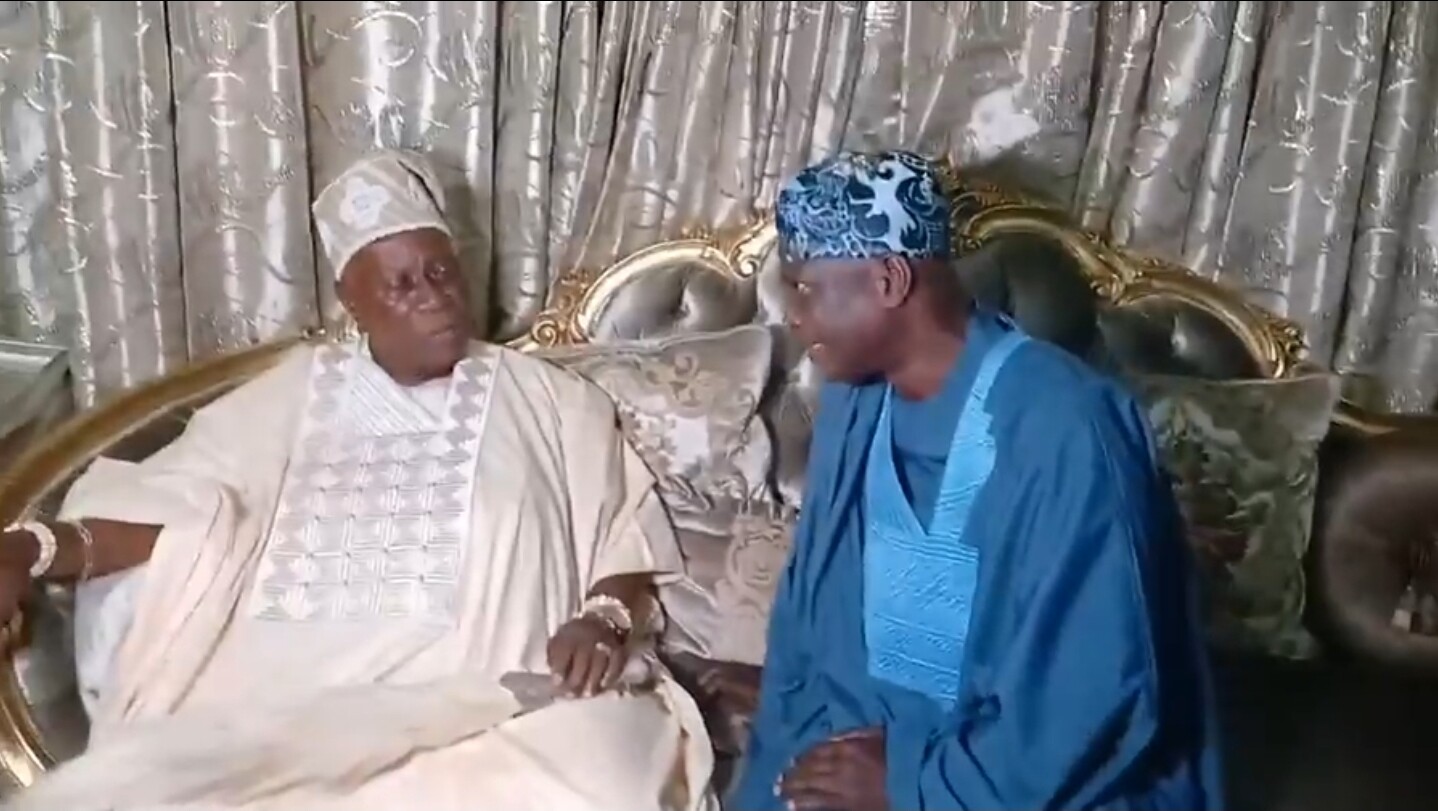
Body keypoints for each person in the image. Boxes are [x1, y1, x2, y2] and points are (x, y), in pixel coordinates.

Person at [0, 150, 715, 811]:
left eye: (441, 273)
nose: (433, 297)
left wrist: (604, 618)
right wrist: (30, 548)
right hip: (293, 708)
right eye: (401, 284)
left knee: (606, 780)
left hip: (500, 706)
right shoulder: (290, 397)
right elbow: (183, 514)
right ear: (354, 304)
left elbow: (620, 540)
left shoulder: (551, 401)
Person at [722, 151, 1225, 811]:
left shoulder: (1067, 427)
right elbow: (806, 636)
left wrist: (910, 781)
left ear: (889, 278)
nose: (792, 314)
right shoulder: (852, 402)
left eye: (805, 288)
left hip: (1036, 787)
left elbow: (1093, 700)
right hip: (859, 762)